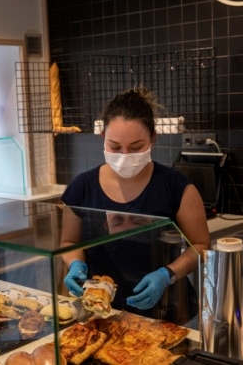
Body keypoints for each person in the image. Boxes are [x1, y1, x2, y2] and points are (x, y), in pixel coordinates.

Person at [60, 87, 211, 320]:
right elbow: (69, 242)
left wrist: (167, 274)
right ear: (102, 138)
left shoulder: (176, 187)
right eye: (115, 147)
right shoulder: (82, 186)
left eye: (136, 147)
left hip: (166, 312)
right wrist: (75, 264)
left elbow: (200, 245)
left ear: (153, 138)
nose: (124, 155)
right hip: (101, 312)